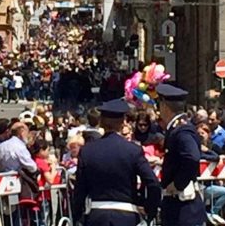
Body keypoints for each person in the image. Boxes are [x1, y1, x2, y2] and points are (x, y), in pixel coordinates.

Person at [73, 98, 162, 226]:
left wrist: (78, 216)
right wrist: (150, 211)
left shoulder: (88, 151)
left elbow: (80, 189)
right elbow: (153, 183)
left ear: (101, 122)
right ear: (122, 123)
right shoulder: (133, 150)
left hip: (97, 217)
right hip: (126, 217)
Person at [155, 84, 206, 225]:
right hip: (177, 207)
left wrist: (178, 183)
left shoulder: (181, 130)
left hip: (183, 208)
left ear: (164, 106)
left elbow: (192, 157)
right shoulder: (177, 128)